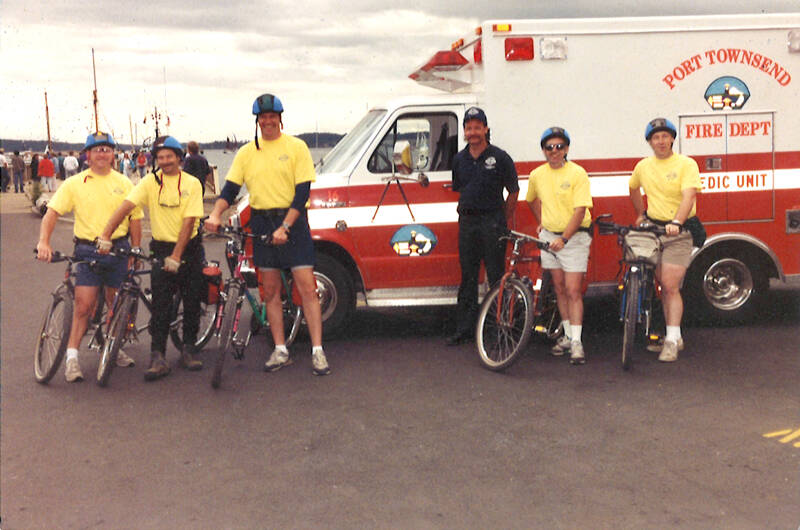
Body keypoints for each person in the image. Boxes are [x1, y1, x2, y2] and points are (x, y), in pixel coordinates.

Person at [205, 92, 330, 376]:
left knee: (307, 288)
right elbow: (230, 190)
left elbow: (302, 194)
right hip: (261, 222)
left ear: (280, 119)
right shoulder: (247, 153)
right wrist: (216, 214)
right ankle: (280, 349)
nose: (268, 122)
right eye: (263, 118)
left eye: (272, 117)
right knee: (270, 291)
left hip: (293, 223)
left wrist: (285, 227)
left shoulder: (296, 147)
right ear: (258, 121)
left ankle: (318, 351)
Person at [36, 132, 143, 382]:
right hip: (88, 251)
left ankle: (113, 347)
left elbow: (135, 218)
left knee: (116, 306)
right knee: (84, 307)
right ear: (87, 154)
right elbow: (51, 213)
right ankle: (72, 359)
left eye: (106, 149)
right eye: (96, 150)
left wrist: (136, 250)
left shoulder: (125, 183)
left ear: (113, 154)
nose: (102, 154)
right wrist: (44, 241)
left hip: (119, 249)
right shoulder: (74, 183)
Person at [99, 135, 205, 381]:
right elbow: (125, 207)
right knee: (160, 306)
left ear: (179, 158)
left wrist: (177, 256)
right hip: (161, 247)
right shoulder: (149, 181)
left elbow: (189, 222)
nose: (165, 161)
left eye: (169, 156)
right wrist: (105, 233)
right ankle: (157, 356)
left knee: (191, 301)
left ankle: (188, 349)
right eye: (160, 157)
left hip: (188, 248)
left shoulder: (192, 183)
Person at [629, 118, 701, 363]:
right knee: (664, 286)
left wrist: (677, 222)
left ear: (672, 139)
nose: (660, 141)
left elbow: (688, 196)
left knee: (670, 285)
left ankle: (670, 341)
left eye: (664, 136)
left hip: (678, 233)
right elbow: (633, 188)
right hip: (654, 231)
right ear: (650, 142)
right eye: (655, 137)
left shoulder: (686, 164)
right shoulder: (643, 166)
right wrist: (641, 213)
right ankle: (675, 334)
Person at [446, 106, 519, 346]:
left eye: (478, 127)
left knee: (496, 277)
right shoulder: (459, 159)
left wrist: (503, 220)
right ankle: (465, 329)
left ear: (486, 129)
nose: (473, 132)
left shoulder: (500, 157)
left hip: (492, 222)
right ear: (465, 131)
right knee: (468, 276)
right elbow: (459, 187)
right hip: (467, 223)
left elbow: (513, 191)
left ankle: (499, 328)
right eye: (469, 128)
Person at [526, 127, 593, 365]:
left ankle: (577, 342)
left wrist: (563, 238)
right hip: (549, 238)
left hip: (573, 239)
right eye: (549, 147)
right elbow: (531, 200)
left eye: (559, 147)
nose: (554, 152)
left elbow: (580, 210)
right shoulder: (537, 175)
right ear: (543, 150)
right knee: (560, 288)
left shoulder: (577, 173)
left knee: (573, 290)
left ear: (566, 149)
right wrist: (543, 224)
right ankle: (567, 335)